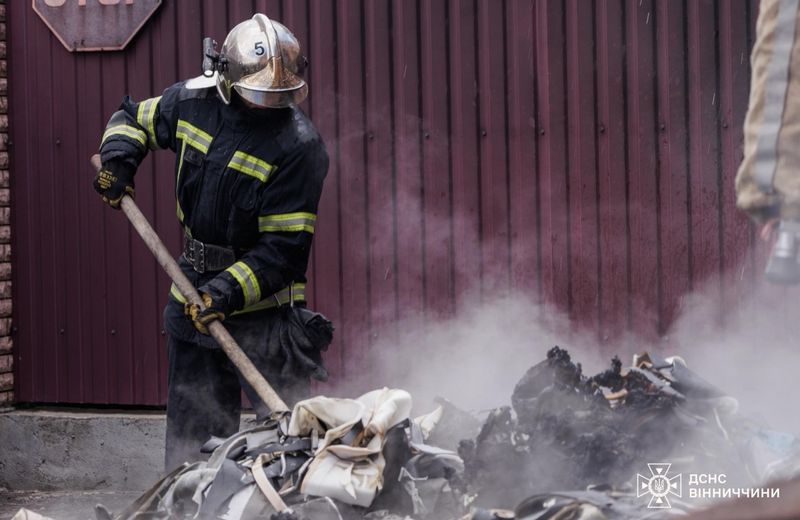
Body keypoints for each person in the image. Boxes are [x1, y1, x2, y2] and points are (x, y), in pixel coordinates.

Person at [93, 13, 333, 469]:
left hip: (267, 318)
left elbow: (283, 253)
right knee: (193, 451)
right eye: (258, 95)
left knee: (287, 449)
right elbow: (131, 119)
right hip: (191, 297)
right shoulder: (191, 101)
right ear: (225, 76)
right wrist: (119, 162)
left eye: (277, 97)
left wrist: (222, 293)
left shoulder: (301, 147)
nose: (267, 107)